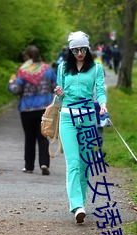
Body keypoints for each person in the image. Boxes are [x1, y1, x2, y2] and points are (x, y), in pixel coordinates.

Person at [54, 31, 107, 223]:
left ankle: (81, 201)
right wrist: (59, 92)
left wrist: (102, 104)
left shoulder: (96, 68)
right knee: (74, 163)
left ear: (88, 48)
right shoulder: (62, 68)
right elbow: (60, 97)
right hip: (67, 118)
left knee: (85, 164)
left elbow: (100, 90)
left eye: (83, 49)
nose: (79, 53)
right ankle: (76, 205)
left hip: (88, 118)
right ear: (70, 50)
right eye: (75, 50)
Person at [8, 45, 57, 175]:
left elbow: (16, 90)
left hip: (27, 109)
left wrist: (11, 83)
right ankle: (44, 163)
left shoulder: (23, 71)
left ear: (27, 57)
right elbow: (55, 87)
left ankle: (29, 166)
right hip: (44, 109)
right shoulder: (48, 70)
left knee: (29, 138)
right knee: (43, 137)